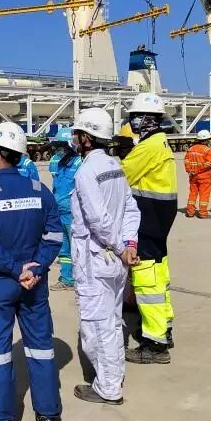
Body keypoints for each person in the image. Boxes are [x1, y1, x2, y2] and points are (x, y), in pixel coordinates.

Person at [0, 122, 64, 421]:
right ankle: (48, 416)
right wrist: (34, 268)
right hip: (34, 284)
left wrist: (15, 270)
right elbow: (54, 236)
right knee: (41, 348)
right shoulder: (40, 190)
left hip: (0, 284)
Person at [69, 108, 141, 405]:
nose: (74, 138)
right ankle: (113, 376)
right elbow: (131, 209)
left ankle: (108, 387)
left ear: (87, 138)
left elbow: (98, 219)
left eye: (77, 134)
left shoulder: (87, 171)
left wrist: (120, 247)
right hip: (116, 260)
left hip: (96, 258)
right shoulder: (114, 166)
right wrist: (129, 243)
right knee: (111, 321)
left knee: (96, 325)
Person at [121, 93, 177, 364]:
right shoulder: (158, 141)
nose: (131, 122)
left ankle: (155, 345)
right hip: (158, 217)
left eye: (134, 117)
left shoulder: (149, 146)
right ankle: (164, 328)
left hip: (149, 218)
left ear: (147, 119)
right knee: (159, 275)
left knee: (147, 281)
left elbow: (121, 175)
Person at [48, 127, 81, 291]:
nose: (59, 150)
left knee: (78, 248)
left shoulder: (80, 162)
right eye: (58, 146)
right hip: (59, 212)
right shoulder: (56, 162)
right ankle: (67, 279)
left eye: (62, 147)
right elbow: (55, 185)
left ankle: (81, 280)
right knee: (64, 249)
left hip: (74, 214)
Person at [184, 130, 211, 218]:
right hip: (204, 176)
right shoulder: (208, 150)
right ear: (206, 140)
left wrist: (189, 170)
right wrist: (197, 171)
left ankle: (190, 212)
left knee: (192, 194)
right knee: (204, 195)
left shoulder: (190, 149)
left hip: (193, 176)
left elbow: (186, 161)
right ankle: (203, 213)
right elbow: (208, 164)